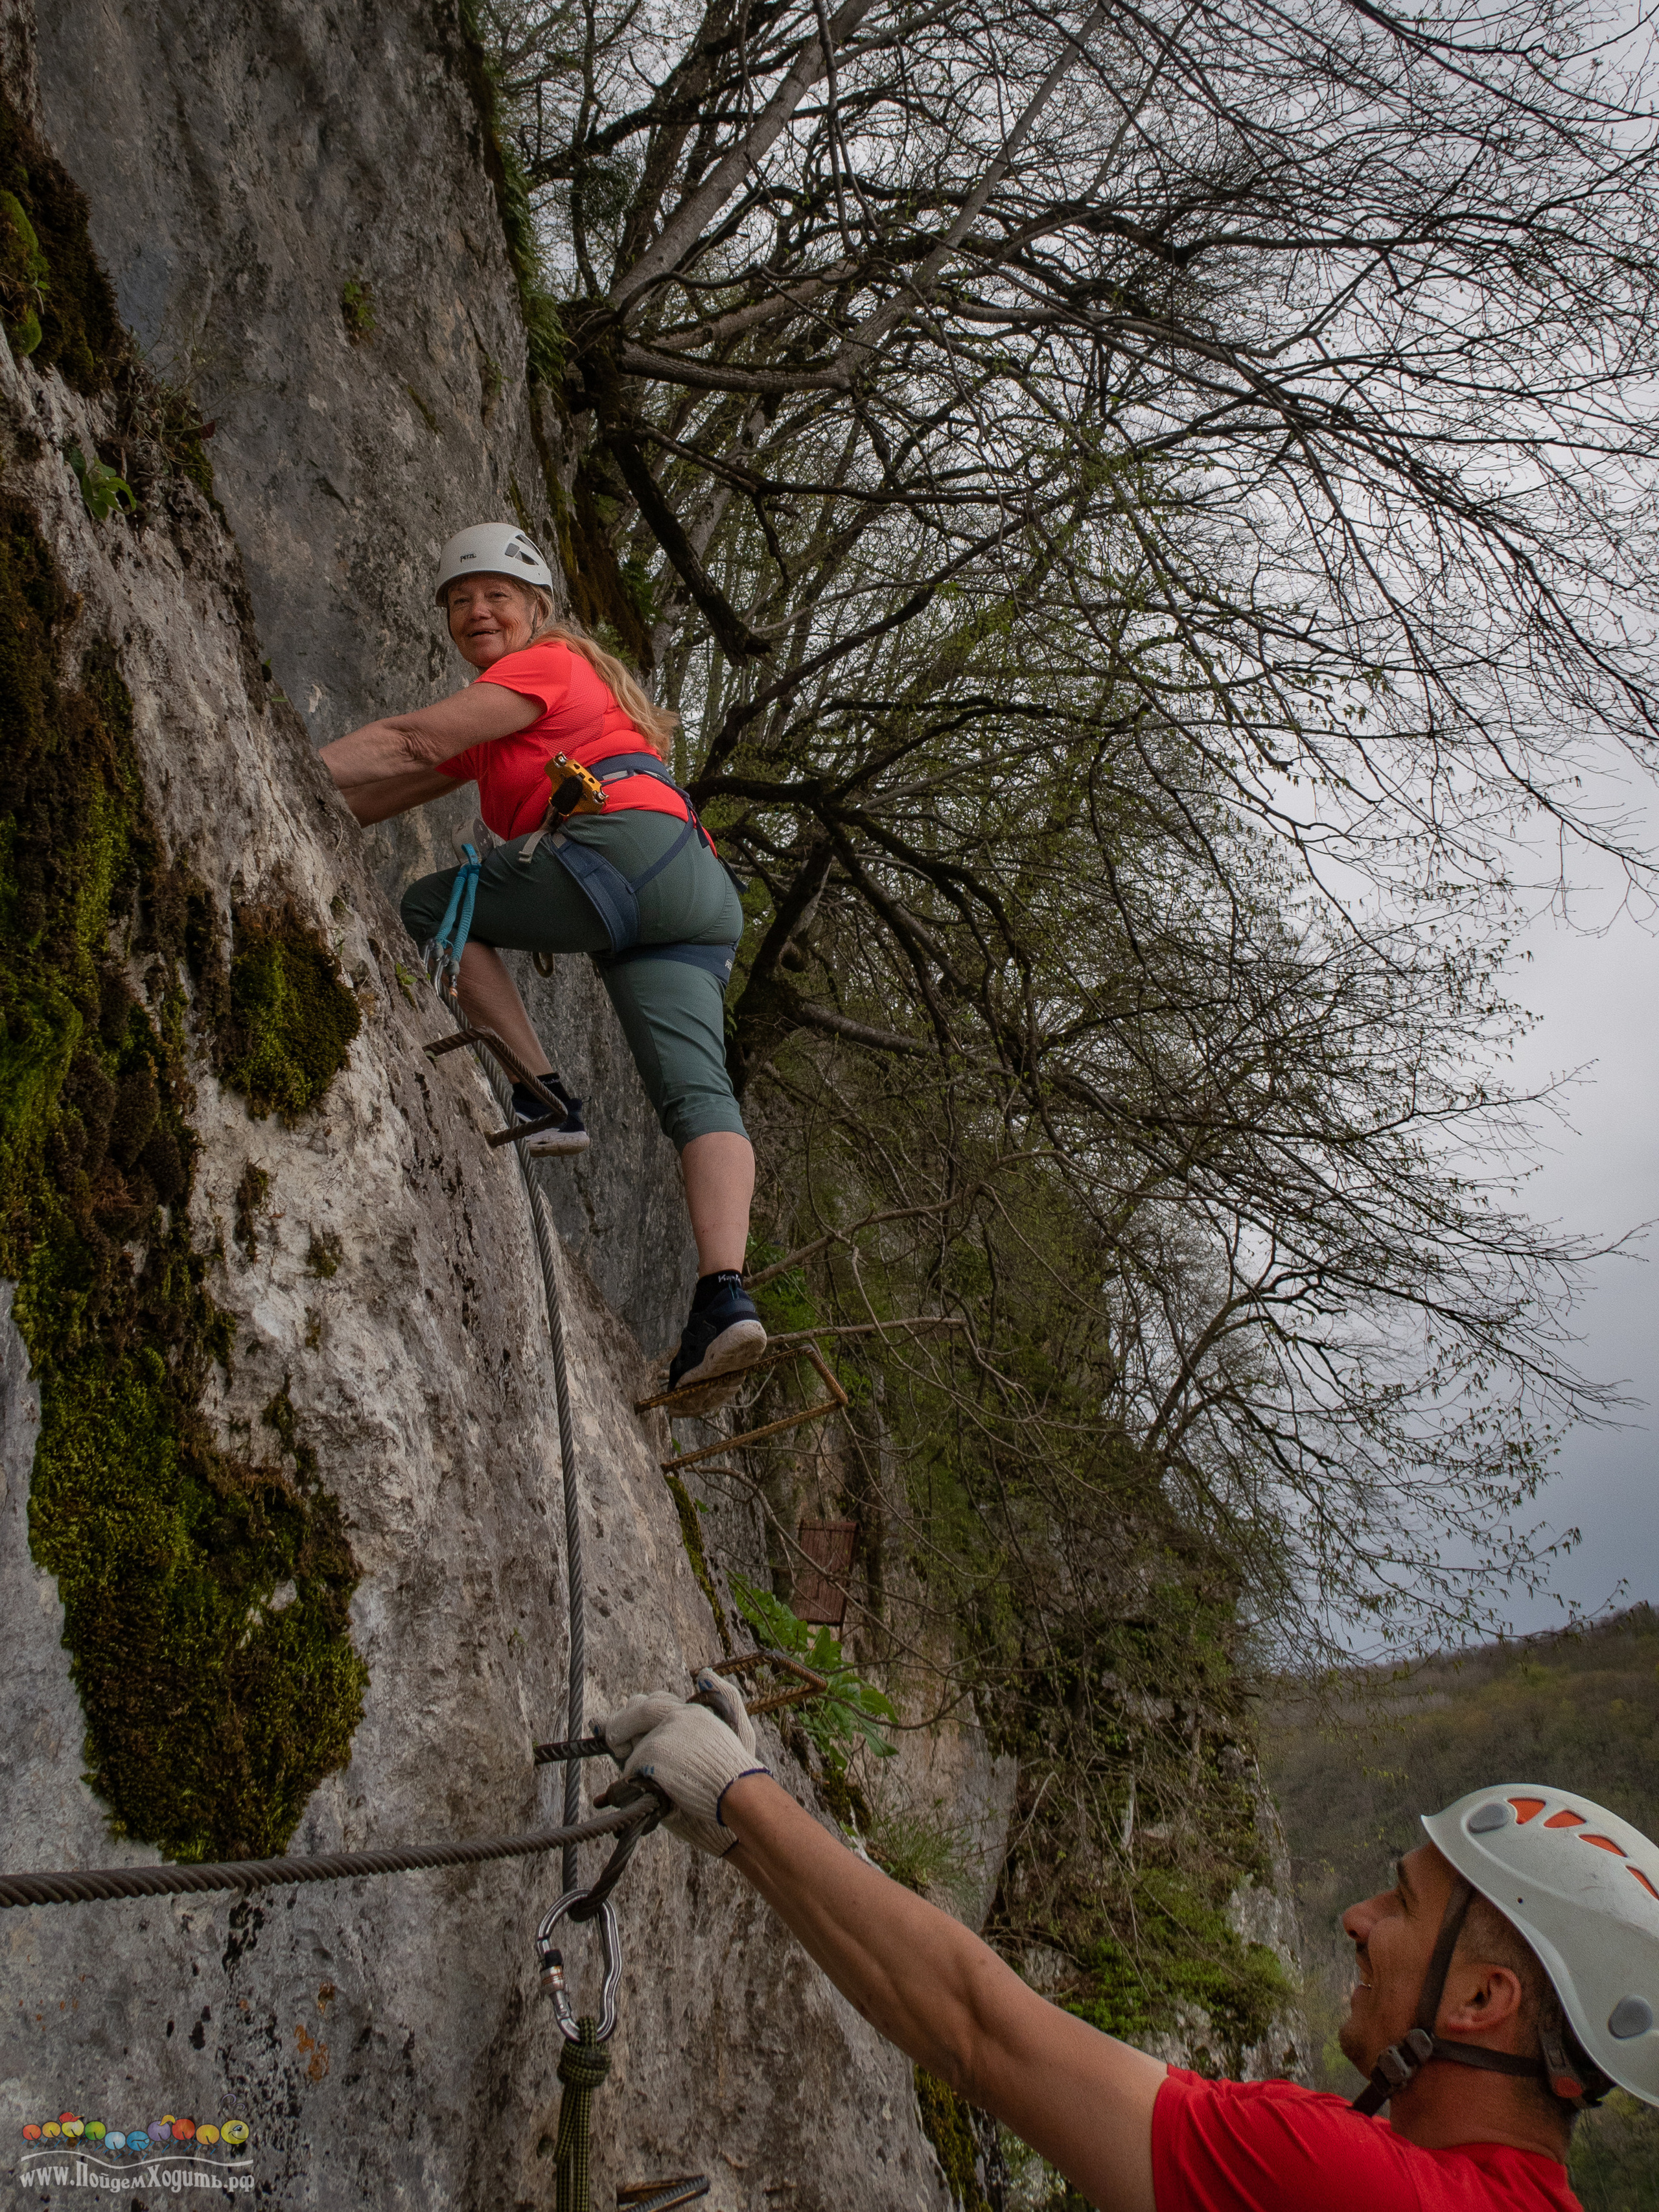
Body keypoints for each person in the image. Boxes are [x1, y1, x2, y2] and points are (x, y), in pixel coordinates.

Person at [596, 1681, 1659, 2211]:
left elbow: (983, 2033)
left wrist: (741, 1791)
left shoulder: (1347, 2179)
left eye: (1400, 1903)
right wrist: (746, 1832)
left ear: (1482, 1996)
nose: (1358, 1919)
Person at [319, 522, 767, 1391]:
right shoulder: (521, 722)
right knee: (698, 1095)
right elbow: (398, 783)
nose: (475, 611)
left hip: (622, 855)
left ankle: (544, 1094)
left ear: (539, 610)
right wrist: (322, 794)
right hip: (694, 888)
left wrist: (279, 748)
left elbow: (409, 741)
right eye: (459, 601)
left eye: (495, 596)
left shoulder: (546, 665)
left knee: (430, 903)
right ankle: (725, 1297)